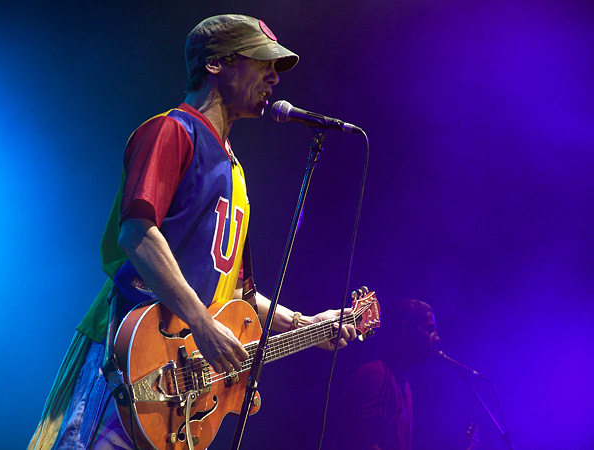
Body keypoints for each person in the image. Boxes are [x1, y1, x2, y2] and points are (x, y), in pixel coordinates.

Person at [28, 14, 357, 450]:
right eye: (263, 63)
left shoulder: (235, 171)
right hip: (131, 355)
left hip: (181, 379)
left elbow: (234, 291)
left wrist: (303, 324)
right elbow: (137, 234)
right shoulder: (171, 130)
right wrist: (202, 323)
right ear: (216, 64)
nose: (274, 78)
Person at [340, 298, 440, 450]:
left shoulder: (403, 385)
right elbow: (364, 444)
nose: (437, 338)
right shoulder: (376, 377)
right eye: (429, 329)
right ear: (405, 331)